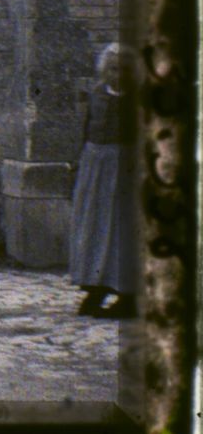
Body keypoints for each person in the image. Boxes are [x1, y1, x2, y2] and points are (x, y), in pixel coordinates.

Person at [69, 43, 139, 318]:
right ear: (103, 71)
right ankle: (95, 288)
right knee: (93, 227)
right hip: (94, 168)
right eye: (112, 69)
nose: (117, 74)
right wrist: (78, 165)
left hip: (125, 170)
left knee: (120, 229)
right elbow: (85, 130)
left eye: (123, 69)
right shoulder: (96, 95)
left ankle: (127, 296)